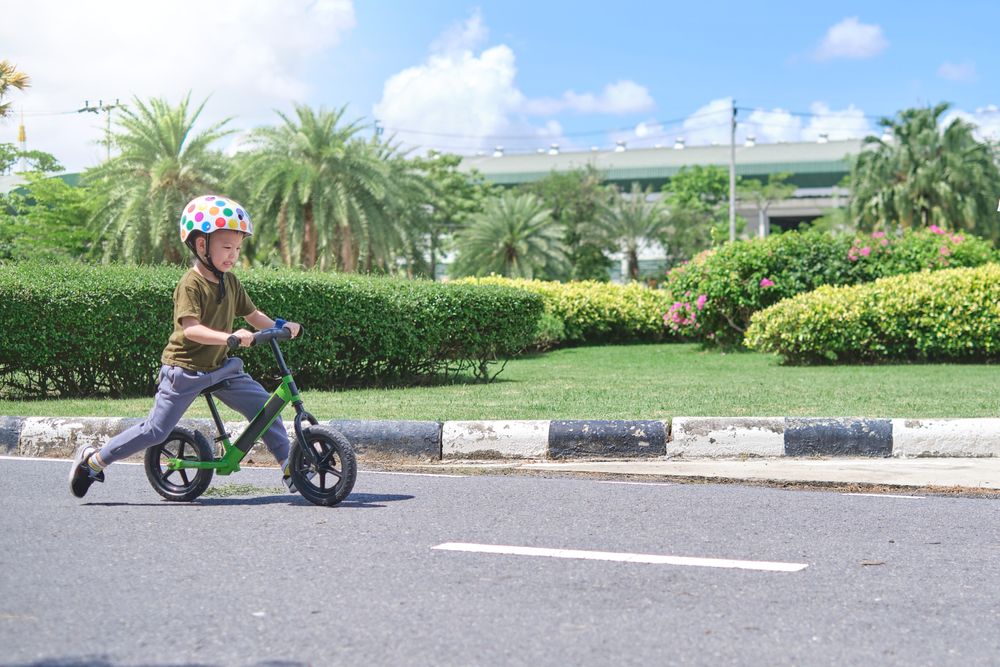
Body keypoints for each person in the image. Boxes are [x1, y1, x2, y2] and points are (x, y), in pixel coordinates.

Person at [69, 194, 301, 498]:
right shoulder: (190, 284)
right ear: (202, 245)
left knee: (264, 408)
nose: (233, 255)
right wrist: (229, 337)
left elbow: (253, 315)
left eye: (237, 249)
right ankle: (94, 461)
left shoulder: (231, 281)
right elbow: (191, 329)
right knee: (156, 431)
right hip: (184, 371)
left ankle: (290, 467)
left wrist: (281, 326)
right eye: (227, 247)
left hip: (221, 367)